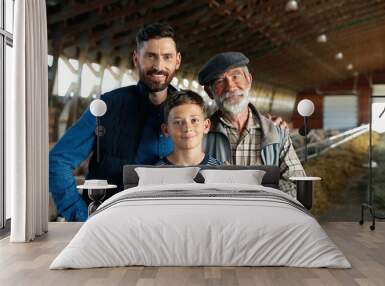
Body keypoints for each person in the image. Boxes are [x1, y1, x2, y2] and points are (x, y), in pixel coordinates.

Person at [50, 23, 287, 221]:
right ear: (136, 59)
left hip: (170, 222)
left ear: (177, 61)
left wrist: (267, 123)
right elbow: (58, 160)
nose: (158, 66)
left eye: (166, 57)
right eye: (150, 56)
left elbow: (230, 116)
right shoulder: (107, 107)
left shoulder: (189, 113)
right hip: (109, 220)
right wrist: (80, 217)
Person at [198, 52, 306, 197]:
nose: (230, 87)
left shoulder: (276, 134)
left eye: (236, 76)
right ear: (210, 92)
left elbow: (297, 182)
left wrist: (261, 202)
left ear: (248, 80)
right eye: (219, 81)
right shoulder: (199, 136)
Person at [157, 90, 222, 166]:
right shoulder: (152, 174)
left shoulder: (221, 172)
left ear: (206, 126)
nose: (187, 128)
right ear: (166, 130)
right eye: (178, 122)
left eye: (194, 120)